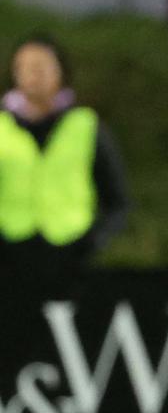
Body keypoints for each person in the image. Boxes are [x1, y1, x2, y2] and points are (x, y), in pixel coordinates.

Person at [0, 34, 130, 287]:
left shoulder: (86, 125)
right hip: (9, 257)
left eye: (40, 67)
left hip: (73, 256)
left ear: (61, 72)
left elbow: (117, 199)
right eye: (24, 67)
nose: (33, 75)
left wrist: (94, 240)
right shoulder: (2, 125)